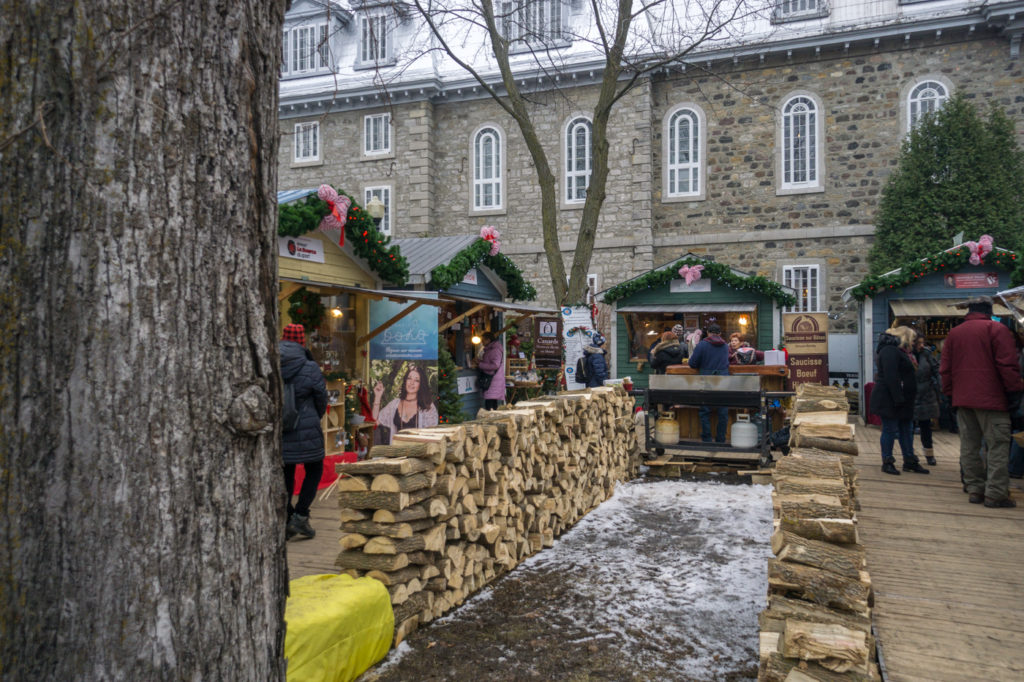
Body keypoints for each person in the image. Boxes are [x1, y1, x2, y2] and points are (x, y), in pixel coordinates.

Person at [940, 297, 1024, 507]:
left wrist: (950, 395)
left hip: (962, 399)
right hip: (992, 399)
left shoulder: (955, 333)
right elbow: (1007, 365)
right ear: (989, 310)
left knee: (969, 446)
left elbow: (946, 369)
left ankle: (975, 489)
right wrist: (1014, 392)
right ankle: (995, 493)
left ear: (969, 310)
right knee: (997, 446)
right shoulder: (997, 330)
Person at [280, 323, 328, 540]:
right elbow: (321, 398)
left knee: (286, 473)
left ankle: (287, 516)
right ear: (302, 341)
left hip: (281, 428)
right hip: (307, 425)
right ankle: (300, 515)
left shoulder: (271, 362)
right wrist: (313, 418)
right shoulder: (309, 367)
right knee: (315, 469)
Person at [870, 326, 928, 475]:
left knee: (906, 429)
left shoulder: (900, 352)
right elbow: (891, 376)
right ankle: (887, 461)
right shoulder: (890, 350)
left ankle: (910, 460)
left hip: (903, 398)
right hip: (891, 398)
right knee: (890, 429)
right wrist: (898, 397)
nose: (914, 343)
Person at [372, 363, 440, 444]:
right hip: (397, 453)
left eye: (416, 380)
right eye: (409, 378)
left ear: (421, 384)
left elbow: (432, 436)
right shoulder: (395, 404)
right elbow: (374, 422)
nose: (412, 382)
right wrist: (378, 397)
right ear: (405, 381)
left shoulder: (427, 405)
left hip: (417, 453)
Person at [688, 323, 730, 443]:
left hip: (706, 380)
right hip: (723, 380)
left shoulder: (702, 345)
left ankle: (706, 439)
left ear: (707, 333)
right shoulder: (725, 346)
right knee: (723, 411)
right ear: (720, 334)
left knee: (705, 410)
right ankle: (721, 439)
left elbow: (692, 364)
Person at [912, 333, 940, 466]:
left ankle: (929, 454)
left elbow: (936, 369)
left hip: (926, 393)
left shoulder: (927, 354)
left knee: (925, 426)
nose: (922, 345)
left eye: (923, 343)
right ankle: (909, 454)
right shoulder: (907, 355)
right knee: (908, 426)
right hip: (911, 393)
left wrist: (939, 386)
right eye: (919, 343)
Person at [476, 332, 506, 410]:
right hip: (493, 378)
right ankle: (493, 417)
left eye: (483, 340)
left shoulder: (495, 350)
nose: (482, 342)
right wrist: (479, 361)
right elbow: (490, 361)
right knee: (492, 400)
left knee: (490, 402)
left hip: (493, 379)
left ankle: (490, 419)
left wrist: (480, 365)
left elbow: (495, 365)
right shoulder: (491, 349)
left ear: (488, 340)